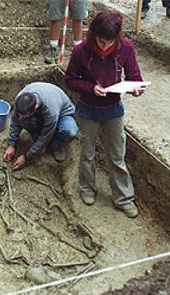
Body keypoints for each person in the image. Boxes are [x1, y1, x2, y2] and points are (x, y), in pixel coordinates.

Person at [65, 11, 145, 218]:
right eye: (100, 41)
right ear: (93, 34)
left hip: (113, 109)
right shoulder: (81, 50)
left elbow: (135, 77)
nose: (104, 46)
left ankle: (123, 198)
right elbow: (71, 79)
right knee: (87, 153)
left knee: (117, 156)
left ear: (117, 38)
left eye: (109, 42)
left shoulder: (126, 48)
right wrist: (90, 88)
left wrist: (136, 89)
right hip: (87, 108)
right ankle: (87, 188)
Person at [3, 82, 78, 170]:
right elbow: (15, 121)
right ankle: (38, 144)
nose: (22, 117)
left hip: (63, 114)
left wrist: (26, 157)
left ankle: (55, 145)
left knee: (71, 131)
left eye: (25, 115)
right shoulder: (20, 100)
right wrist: (11, 144)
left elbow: (45, 136)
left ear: (35, 107)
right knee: (24, 121)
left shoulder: (50, 111)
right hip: (42, 115)